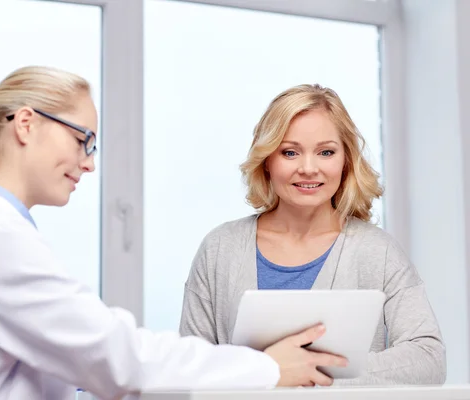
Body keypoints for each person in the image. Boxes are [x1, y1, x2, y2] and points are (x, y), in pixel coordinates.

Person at [0, 67, 349, 400]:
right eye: (83, 140)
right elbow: (122, 358)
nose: (89, 162)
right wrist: (266, 368)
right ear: (25, 124)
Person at [179, 84, 447, 386]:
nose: (308, 168)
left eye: (326, 152)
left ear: (345, 160)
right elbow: (190, 371)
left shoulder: (377, 251)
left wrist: (311, 372)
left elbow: (428, 359)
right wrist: (267, 372)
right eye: (290, 152)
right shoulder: (220, 249)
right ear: (267, 161)